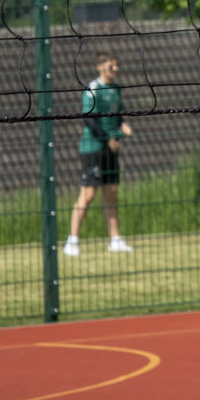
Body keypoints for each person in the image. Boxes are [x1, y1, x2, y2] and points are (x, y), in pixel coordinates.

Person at [65, 51, 135, 256]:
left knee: (111, 193)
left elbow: (117, 116)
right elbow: (89, 119)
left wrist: (123, 125)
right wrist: (108, 138)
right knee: (88, 194)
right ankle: (72, 241)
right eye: (111, 65)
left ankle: (115, 240)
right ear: (100, 67)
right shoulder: (93, 89)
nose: (115, 69)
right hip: (93, 147)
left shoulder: (116, 89)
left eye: (117, 65)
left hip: (111, 147)